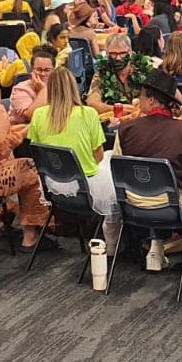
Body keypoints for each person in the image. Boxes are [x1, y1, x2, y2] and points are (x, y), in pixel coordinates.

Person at [113, 69, 182, 270]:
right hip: (172, 206)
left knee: (153, 187)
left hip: (132, 204)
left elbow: (117, 171)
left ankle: (156, 247)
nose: (138, 100)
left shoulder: (124, 130)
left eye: (142, 96)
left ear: (152, 100)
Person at [29, 66, 119, 243]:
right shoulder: (89, 113)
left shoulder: (38, 115)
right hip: (86, 187)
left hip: (52, 185)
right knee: (113, 161)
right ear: (73, 87)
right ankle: (112, 242)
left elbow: (37, 154)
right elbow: (99, 156)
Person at [87, 34, 141, 114]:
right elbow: (92, 102)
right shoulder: (102, 74)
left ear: (130, 52)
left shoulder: (141, 71)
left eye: (122, 53)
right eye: (113, 54)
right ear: (107, 54)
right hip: (114, 119)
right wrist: (116, 109)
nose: (118, 58)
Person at [8, 45, 56, 124]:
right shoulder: (20, 89)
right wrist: (44, 90)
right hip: (23, 128)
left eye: (47, 70)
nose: (43, 74)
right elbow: (29, 116)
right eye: (39, 69)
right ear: (32, 69)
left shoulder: (57, 87)